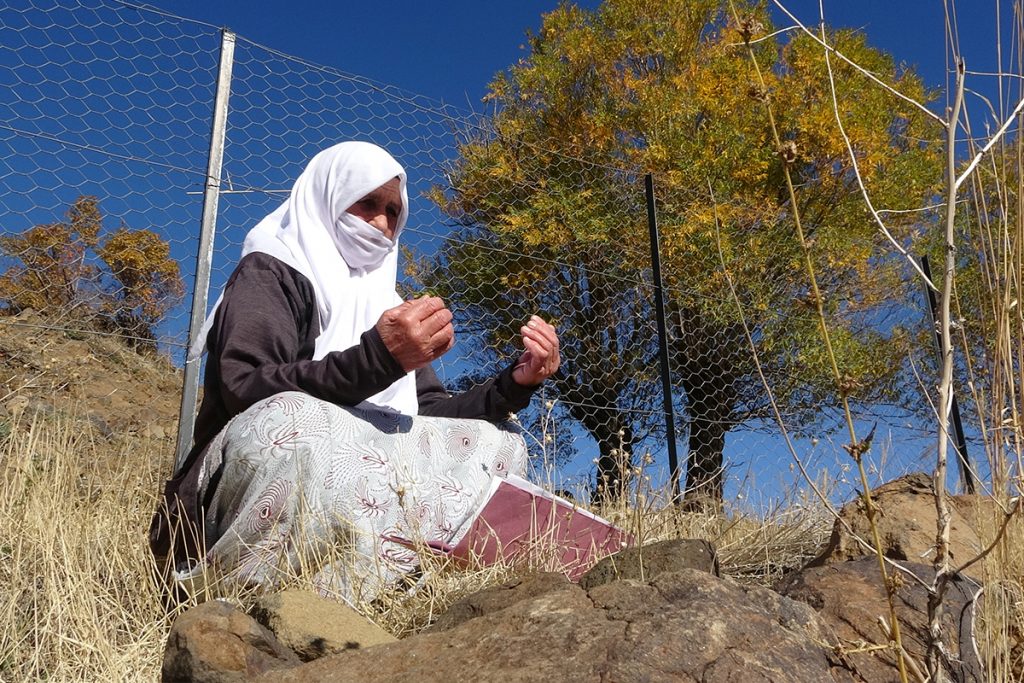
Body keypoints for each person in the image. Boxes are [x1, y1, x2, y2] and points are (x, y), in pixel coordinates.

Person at [150, 141, 560, 602]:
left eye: (392, 211)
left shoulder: (386, 304)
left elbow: (426, 414)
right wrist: (379, 360)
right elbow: (245, 386)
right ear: (330, 194)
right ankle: (239, 599)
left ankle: (392, 588)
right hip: (233, 488)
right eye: (367, 203)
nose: (382, 223)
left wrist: (516, 383)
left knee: (496, 444)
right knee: (293, 423)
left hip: (363, 483)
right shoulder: (271, 270)